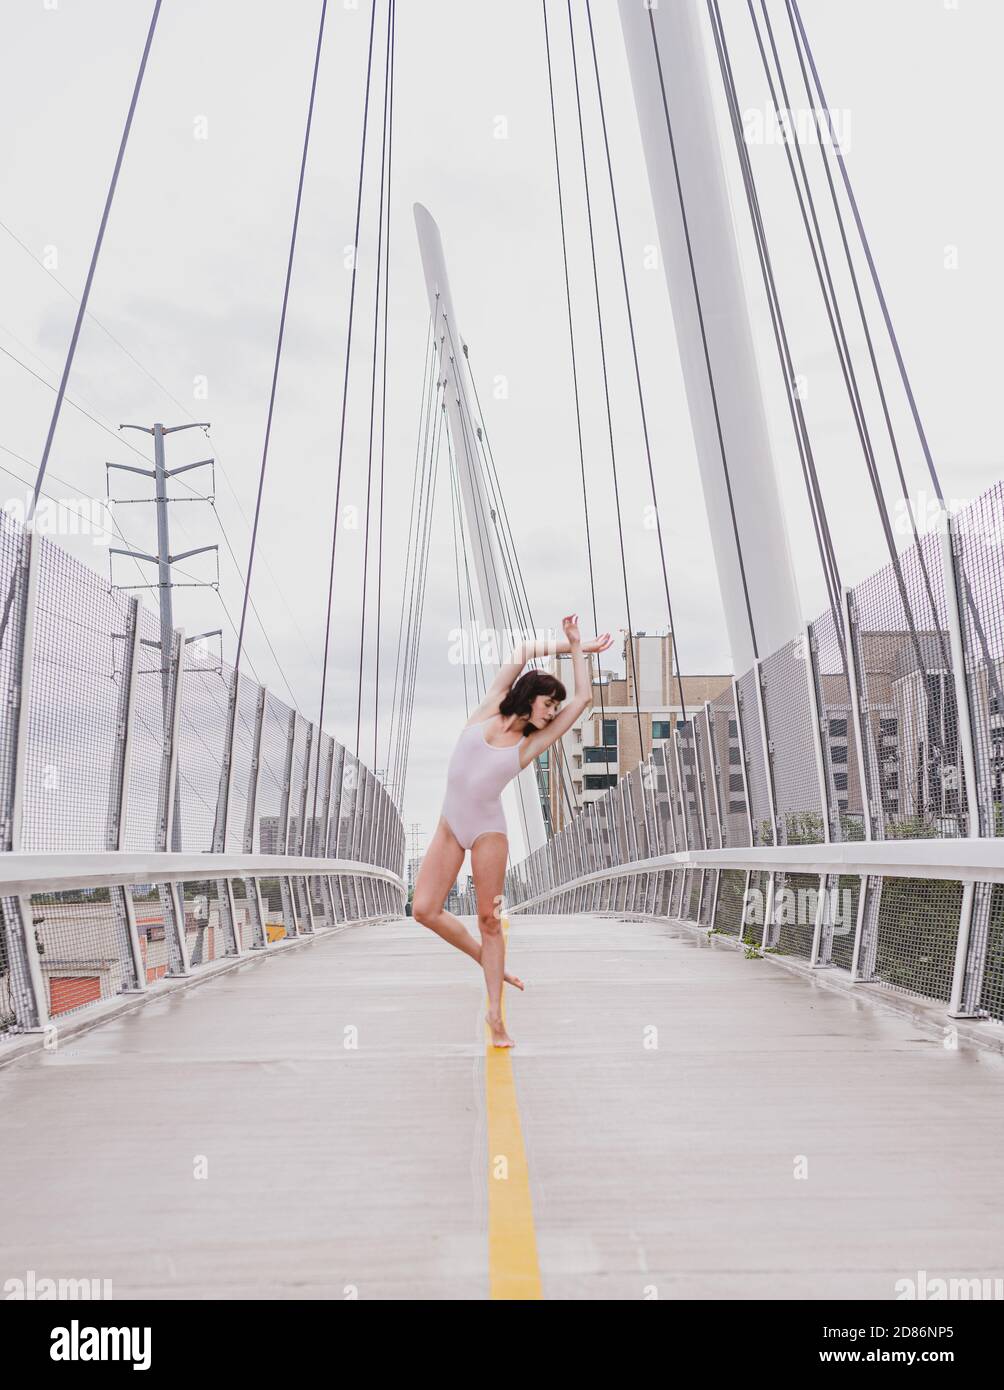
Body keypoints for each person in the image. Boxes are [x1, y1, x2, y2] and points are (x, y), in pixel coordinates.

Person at [412, 614, 613, 1047]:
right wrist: (565, 642)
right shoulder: (490, 706)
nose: (553, 711)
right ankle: (490, 962)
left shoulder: (531, 742)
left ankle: (495, 1015)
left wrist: (581, 650)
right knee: (424, 909)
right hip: (450, 826)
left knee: (489, 919)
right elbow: (521, 653)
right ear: (531, 695)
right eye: (548, 703)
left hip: (487, 833)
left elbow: (582, 698)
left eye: (554, 708)